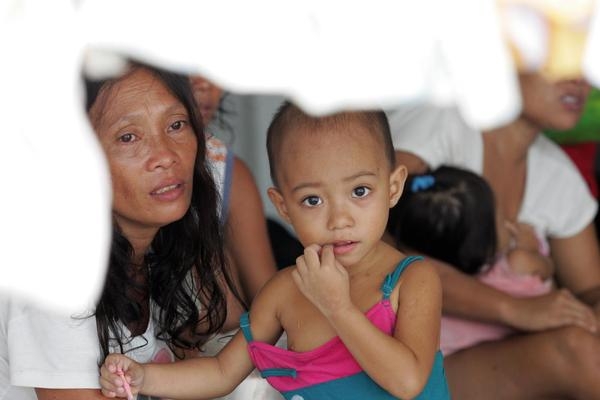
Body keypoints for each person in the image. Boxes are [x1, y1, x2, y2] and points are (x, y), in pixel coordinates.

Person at [99, 102, 451, 400]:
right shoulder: (285, 291)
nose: (339, 219)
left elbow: (408, 382)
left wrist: (337, 307)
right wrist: (146, 378)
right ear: (283, 207)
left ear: (393, 187)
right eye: (312, 200)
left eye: (359, 191)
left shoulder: (412, 279)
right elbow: (222, 372)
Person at [0, 63, 244, 399]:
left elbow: (222, 332)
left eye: (176, 125)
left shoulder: (158, 253)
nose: (165, 156)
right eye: (128, 137)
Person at [389, 73, 600, 399]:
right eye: (557, 62)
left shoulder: (559, 176)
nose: (578, 81)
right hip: (414, 362)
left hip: (500, 360)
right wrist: (512, 309)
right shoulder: (443, 121)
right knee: (577, 351)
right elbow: (377, 250)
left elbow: (590, 290)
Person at [386, 166, 586, 355]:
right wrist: (532, 247)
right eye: (499, 219)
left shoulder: (416, 283)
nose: (508, 223)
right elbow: (548, 269)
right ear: (481, 245)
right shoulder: (517, 263)